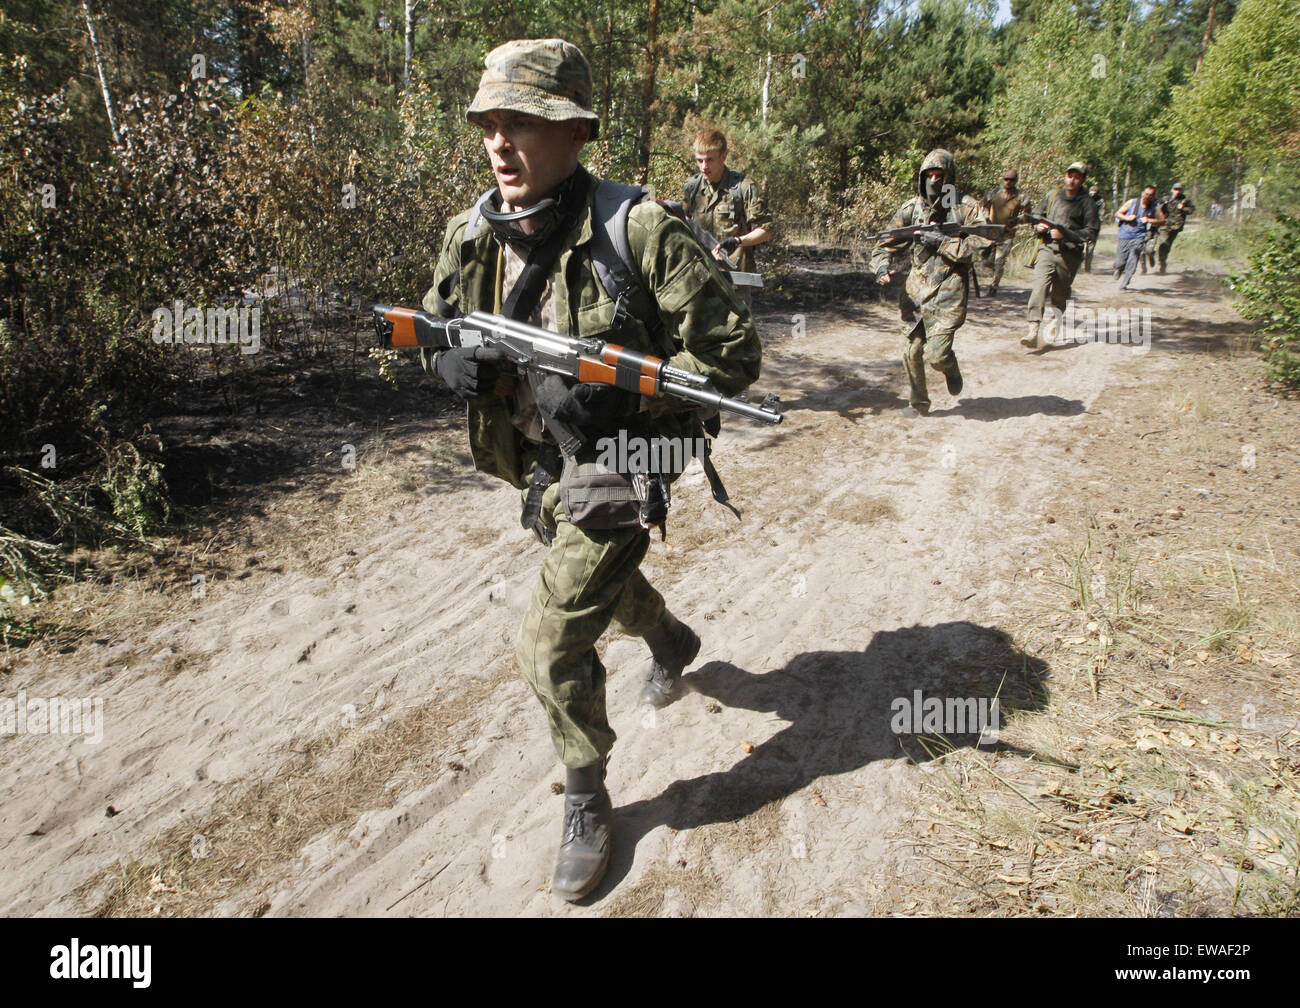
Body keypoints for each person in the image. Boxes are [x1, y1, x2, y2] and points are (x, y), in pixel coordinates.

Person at [419, 38, 762, 901]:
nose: (502, 142)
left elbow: (735, 360)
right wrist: (443, 361)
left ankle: (586, 793)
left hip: (630, 451)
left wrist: (629, 402)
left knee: (548, 641)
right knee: (589, 572)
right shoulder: (472, 237)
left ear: (574, 133)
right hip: (543, 459)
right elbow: (429, 323)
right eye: (491, 124)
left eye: (524, 122)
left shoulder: (637, 229)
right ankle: (671, 639)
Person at [870, 149, 990, 416]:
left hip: (949, 291)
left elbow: (983, 246)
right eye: (929, 175)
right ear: (921, 177)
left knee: (936, 355)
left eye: (940, 175)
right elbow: (884, 244)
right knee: (911, 350)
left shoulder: (966, 207)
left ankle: (950, 366)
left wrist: (943, 242)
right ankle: (919, 404)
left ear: (950, 176)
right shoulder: (912, 210)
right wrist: (881, 267)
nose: (934, 180)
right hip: (916, 290)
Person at [683, 129, 773, 306]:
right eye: (699, 160)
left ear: (724, 156)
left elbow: (766, 230)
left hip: (733, 281)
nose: (703, 167)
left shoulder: (743, 187)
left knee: (736, 333)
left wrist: (738, 241)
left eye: (709, 160)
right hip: (699, 278)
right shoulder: (692, 187)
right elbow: (684, 223)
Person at [1021, 161, 1101, 349]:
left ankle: (1056, 321)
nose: (1072, 180)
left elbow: (1091, 233)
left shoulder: (1087, 203)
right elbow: (1038, 216)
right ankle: (1033, 329)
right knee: (1039, 288)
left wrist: (1066, 235)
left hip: (1070, 254)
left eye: (1077, 177)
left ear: (1082, 180)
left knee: (1060, 293)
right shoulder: (1053, 195)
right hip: (1047, 249)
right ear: (1065, 176)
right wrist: (1037, 226)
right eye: (1069, 175)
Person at [980, 168, 1031, 296]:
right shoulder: (994, 193)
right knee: (986, 261)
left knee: (1000, 261)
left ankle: (993, 287)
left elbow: (1028, 215)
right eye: (1006, 179)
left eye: (1011, 180)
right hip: (992, 231)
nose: (1008, 182)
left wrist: (1016, 220)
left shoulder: (1021, 197)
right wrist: (986, 218)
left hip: (1007, 233)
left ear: (1016, 181)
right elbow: (982, 206)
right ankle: (994, 273)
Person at [1112, 185, 1164, 291]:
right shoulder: (1132, 202)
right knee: (1120, 261)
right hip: (1124, 235)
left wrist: (1149, 220)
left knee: (1133, 259)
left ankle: (1125, 283)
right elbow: (1117, 213)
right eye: (1146, 194)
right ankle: (1119, 268)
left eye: (1151, 195)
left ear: (1153, 196)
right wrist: (1127, 217)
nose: (1147, 196)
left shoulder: (1154, 207)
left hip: (1139, 237)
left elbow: (1163, 220)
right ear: (1142, 193)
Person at [1156, 182, 1194, 273]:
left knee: (1168, 244)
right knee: (1163, 242)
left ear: (1182, 191)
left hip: (1176, 226)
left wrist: (1183, 209)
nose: (1177, 191)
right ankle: (1161, 262)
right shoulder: (1166, 199)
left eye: (1179, 190)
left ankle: (1163, 261)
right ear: (1172, 190)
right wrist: (1162, 204)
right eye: (1176, 189)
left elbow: (1191, 210)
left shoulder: (1185, 200)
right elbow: (1157, 207)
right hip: (1165, 224)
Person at [1083, 185, 1106, 272]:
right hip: (1083, 225)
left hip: (1094, 226)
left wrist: (1098, 220)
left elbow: (1102, 212)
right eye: (1091, 193)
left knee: (1090, 248)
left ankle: (1087, 267)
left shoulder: (1100, 201)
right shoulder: (1084, 199)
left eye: (1094, 193)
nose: (1092, 195)